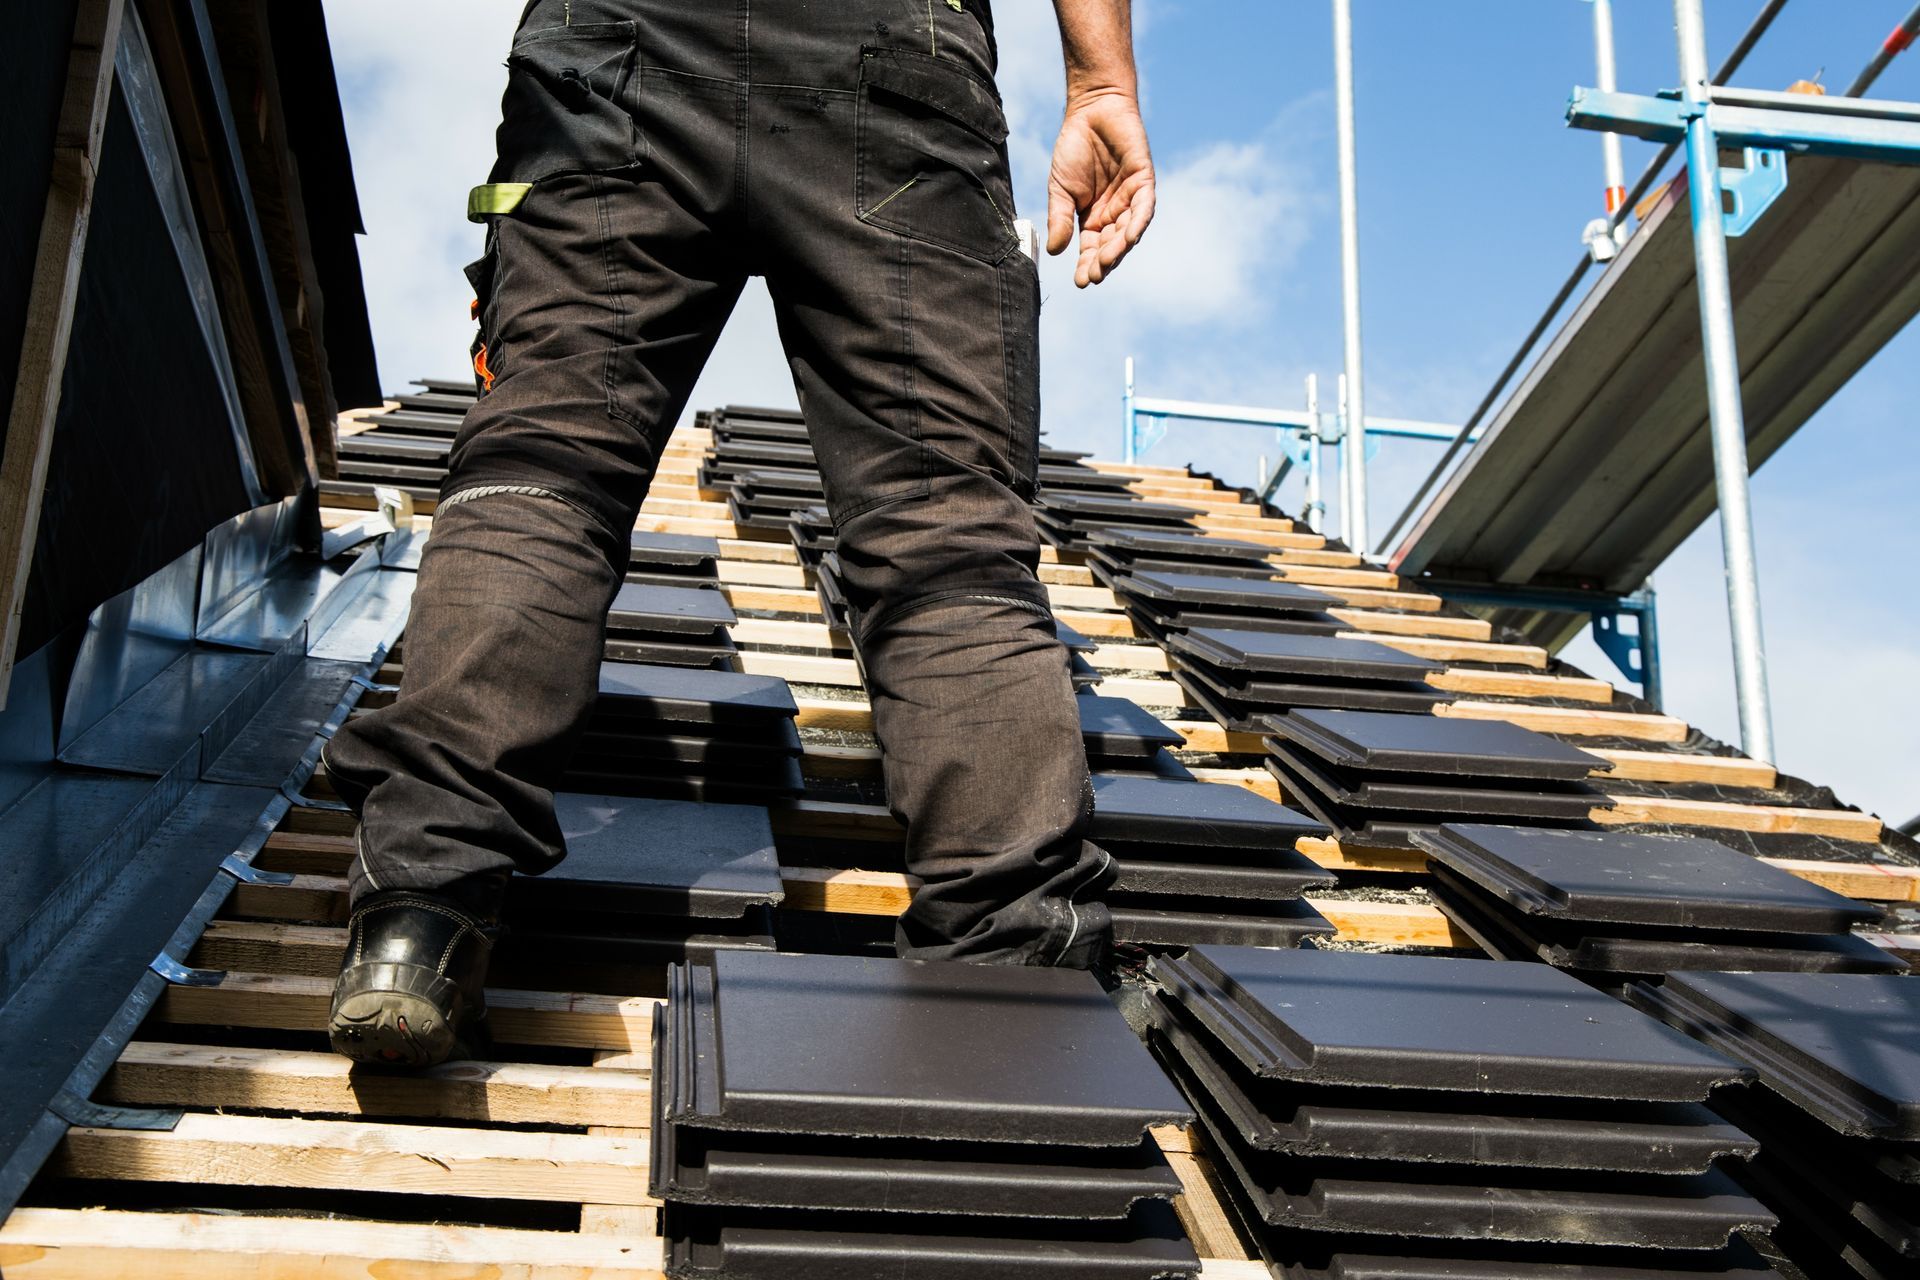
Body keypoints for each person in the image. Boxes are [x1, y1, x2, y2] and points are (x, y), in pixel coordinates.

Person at [322, 0, 1156, 1067]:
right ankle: (1019, 983)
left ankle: (417, 913)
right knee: (945, 534)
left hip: (620, 42)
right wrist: (1100, 82)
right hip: (896, 50)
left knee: (546, 462)